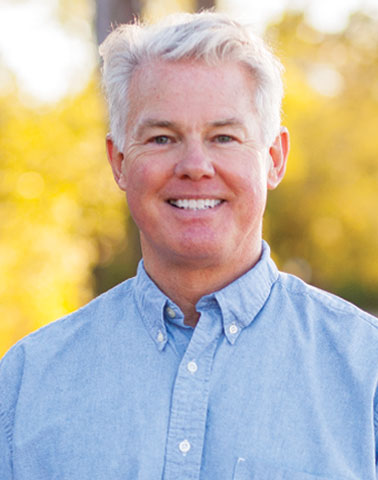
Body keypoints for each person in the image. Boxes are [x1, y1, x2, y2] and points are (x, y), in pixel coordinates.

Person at [1, 11, 377, 480]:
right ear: (119, 161)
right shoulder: (25, 384)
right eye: (162, 138)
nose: (195, 166)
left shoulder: (368, 374)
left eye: (224, 137)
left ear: (274, 159)